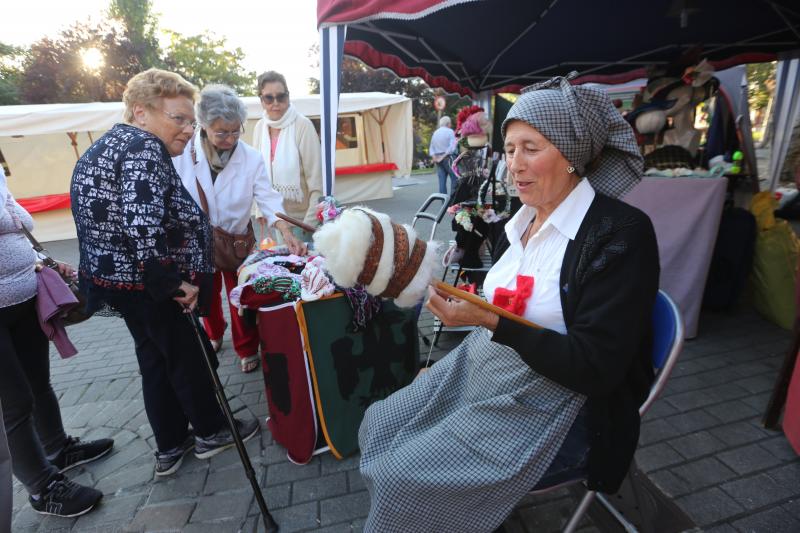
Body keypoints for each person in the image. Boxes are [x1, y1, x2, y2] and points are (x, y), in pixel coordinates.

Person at [358, 74, 659, 533]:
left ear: (575, 156)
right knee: (379, 423)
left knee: (402, 476)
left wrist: (490, 321)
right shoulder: (522, 220)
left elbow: (596, 367)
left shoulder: (620, 234)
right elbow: (512, 303)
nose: (513, 166)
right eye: (510, 148)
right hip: (492, 369)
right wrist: (461, 299)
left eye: (531, 149)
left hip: (565, 406)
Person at [70, 68, 259, 477]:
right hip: (146, 282)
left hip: (118, 281)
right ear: (141, 112)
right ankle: (211, 431)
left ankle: (170, 444)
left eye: (192, 121)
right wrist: (172, 282)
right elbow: (142, 222)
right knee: (187, 355)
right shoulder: (142, 147)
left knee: (154, 359)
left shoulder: (111, 143)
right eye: (179, 119)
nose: (190, 129)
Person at [1, 166, 111, 517]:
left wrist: (39, 261)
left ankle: (57, 448)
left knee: (37, 384)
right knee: (14, 402)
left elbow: (14, 230)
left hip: (23, 297)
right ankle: (41, 486)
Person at [173, 84, 305, 373]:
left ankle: (246, 348)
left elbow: (267, 197)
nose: (230, 138)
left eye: (236, 131)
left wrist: (284, 230)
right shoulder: (183, 153)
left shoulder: (251, 157)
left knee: (241, 295)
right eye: (222, 132)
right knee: (205, 292)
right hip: (198, 239)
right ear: (204, 125)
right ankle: (214, 333)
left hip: (236, 239)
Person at [252, 71, 322, 236]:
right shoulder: (260, 128)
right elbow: (257, 175)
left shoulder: (303, 125)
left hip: (304, 221)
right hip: (277, 220)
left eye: (281, 97)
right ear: (261, 100)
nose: (275, 103)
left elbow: (317, 184)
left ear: (288, 97)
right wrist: (260, 210)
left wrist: (307, 226)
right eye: (269, 98)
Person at [429, 115, 459, 195]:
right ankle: (453, 201)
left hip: (438, 158)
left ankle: (444, 203)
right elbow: (452, 147)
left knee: (442, 181)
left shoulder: (435, 133)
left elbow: (431, 147)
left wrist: (434, 157)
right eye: (450, 123)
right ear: (448, 123)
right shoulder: (450, 131)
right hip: (448, 158)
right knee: (454, 178)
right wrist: (443, 156)